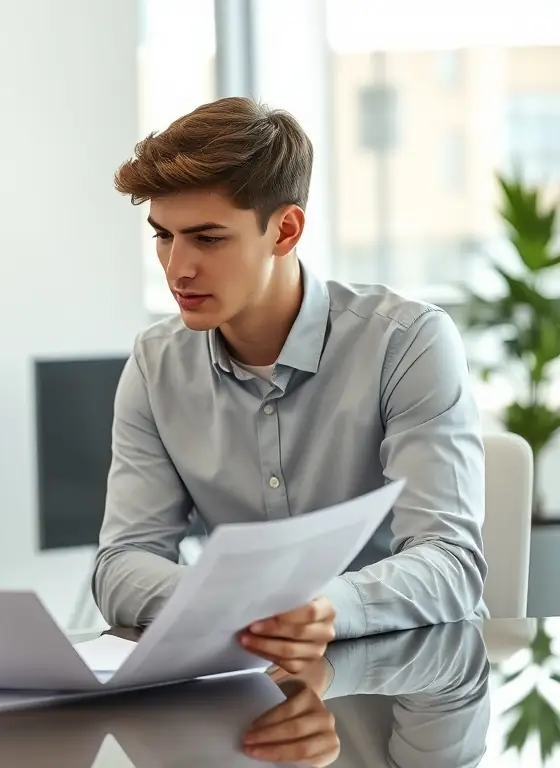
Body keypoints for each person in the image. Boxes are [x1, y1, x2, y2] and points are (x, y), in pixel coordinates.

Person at [92, 96, 487, 672]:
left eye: (208, 238)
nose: (177, 267)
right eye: (163, 236)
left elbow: (450, 562)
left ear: (286, 229)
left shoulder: (408, 343)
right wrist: (247, 611)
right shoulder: (157, 365)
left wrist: (326, 607)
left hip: (398, 685)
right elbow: (124, 563)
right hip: (239, 702)